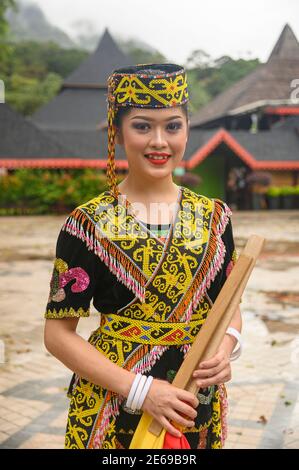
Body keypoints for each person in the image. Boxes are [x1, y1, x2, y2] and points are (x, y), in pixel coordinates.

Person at [44, 64, 242, 449]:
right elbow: (57, 335)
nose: (159, 141)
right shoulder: (87, 224)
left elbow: (229, 302)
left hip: (194, 405)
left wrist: (227, 343)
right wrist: (142, 390)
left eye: (172, 126)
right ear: (116, 133)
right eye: (142, 126)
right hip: (114, 405)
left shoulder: (216, 218)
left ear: (187, 129)